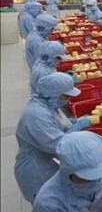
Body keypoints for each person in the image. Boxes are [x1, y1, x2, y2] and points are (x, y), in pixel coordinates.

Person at [15, 72, 90, 204]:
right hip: (35, 171)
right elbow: (60, 146)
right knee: (48, 208)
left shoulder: (46, 103)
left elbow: (56, 123)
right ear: (55, 94)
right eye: (65, 96)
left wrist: (71, 122)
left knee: (58, 201)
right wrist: (78, 126)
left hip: (45, 162)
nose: (67, 100)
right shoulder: (37, 116)